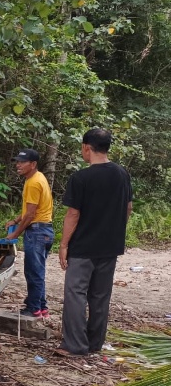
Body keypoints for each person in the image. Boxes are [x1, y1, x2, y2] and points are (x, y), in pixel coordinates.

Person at [56, 128, 133, 357]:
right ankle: (95, 343)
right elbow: (128, 208)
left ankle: (75, 345)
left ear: (86, 147)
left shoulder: (81, 178)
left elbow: (73, 214)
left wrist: (63, 245)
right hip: (110, 246)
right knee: (100, 296)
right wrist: (114, 229)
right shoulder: (122, 174)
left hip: (83, 248)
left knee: (75, 293)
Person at [5, 148, 54, 318]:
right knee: (36, 270)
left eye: (22, 162)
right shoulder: (36, 178)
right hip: (44, 230)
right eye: (17, 161)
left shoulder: (33, 182)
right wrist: (16, 220)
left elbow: (31, 214)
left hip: (37, 231)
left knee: (34, 272)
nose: (18, 165)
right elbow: (30, 209)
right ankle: (41, 307)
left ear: (33, 164)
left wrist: (15, 233)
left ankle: (33, 309)